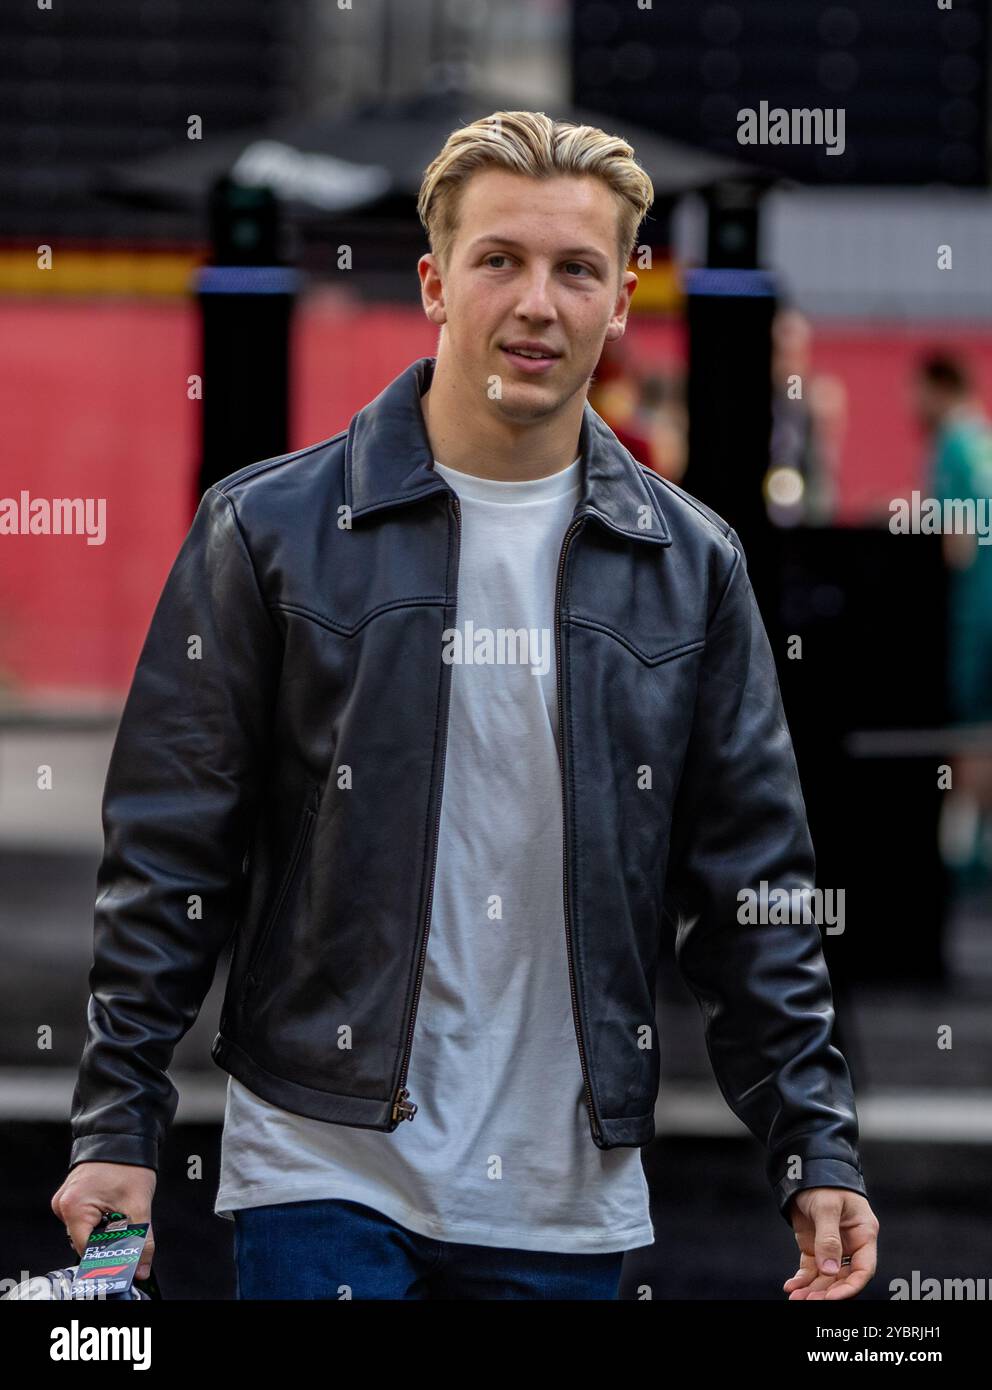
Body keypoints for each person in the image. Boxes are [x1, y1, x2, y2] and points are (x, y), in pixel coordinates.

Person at [52, 110, 878, 1301]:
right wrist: (115, 1124)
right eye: (499, 260)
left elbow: (753, 885)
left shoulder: (690, 567)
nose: (536, 302)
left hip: (564, 1197)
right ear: (437, 283)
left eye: (574, 268)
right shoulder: (270, 531)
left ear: (619, 301)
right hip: (319, 1164)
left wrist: (814, 1139)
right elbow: (169, 854)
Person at [912, 349, 992, 879]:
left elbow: (956, 544)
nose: (910, 403)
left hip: (972, 612)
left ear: (939, 388)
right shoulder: (981, 438)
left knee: (967, 731)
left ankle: (963, 860)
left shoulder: (953, 446)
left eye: (916, 391)